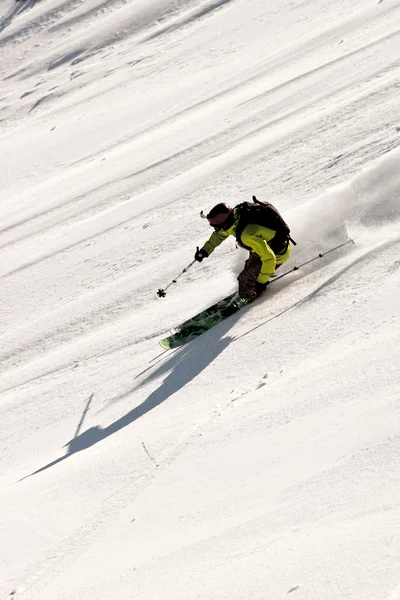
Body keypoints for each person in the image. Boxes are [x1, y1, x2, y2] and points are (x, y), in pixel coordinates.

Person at [194, 197, 292, 303]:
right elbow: (219, 236)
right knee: (248, 271)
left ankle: (250, 298)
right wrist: (205, 250)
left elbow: (269, 258)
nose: (217, 230)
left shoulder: (246, 235)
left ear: (224, 224)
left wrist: (261, 282)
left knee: (244, 279)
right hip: (262, 250)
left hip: (277, 254)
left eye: (217, 227)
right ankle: (251, 288)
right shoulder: (236, 217)